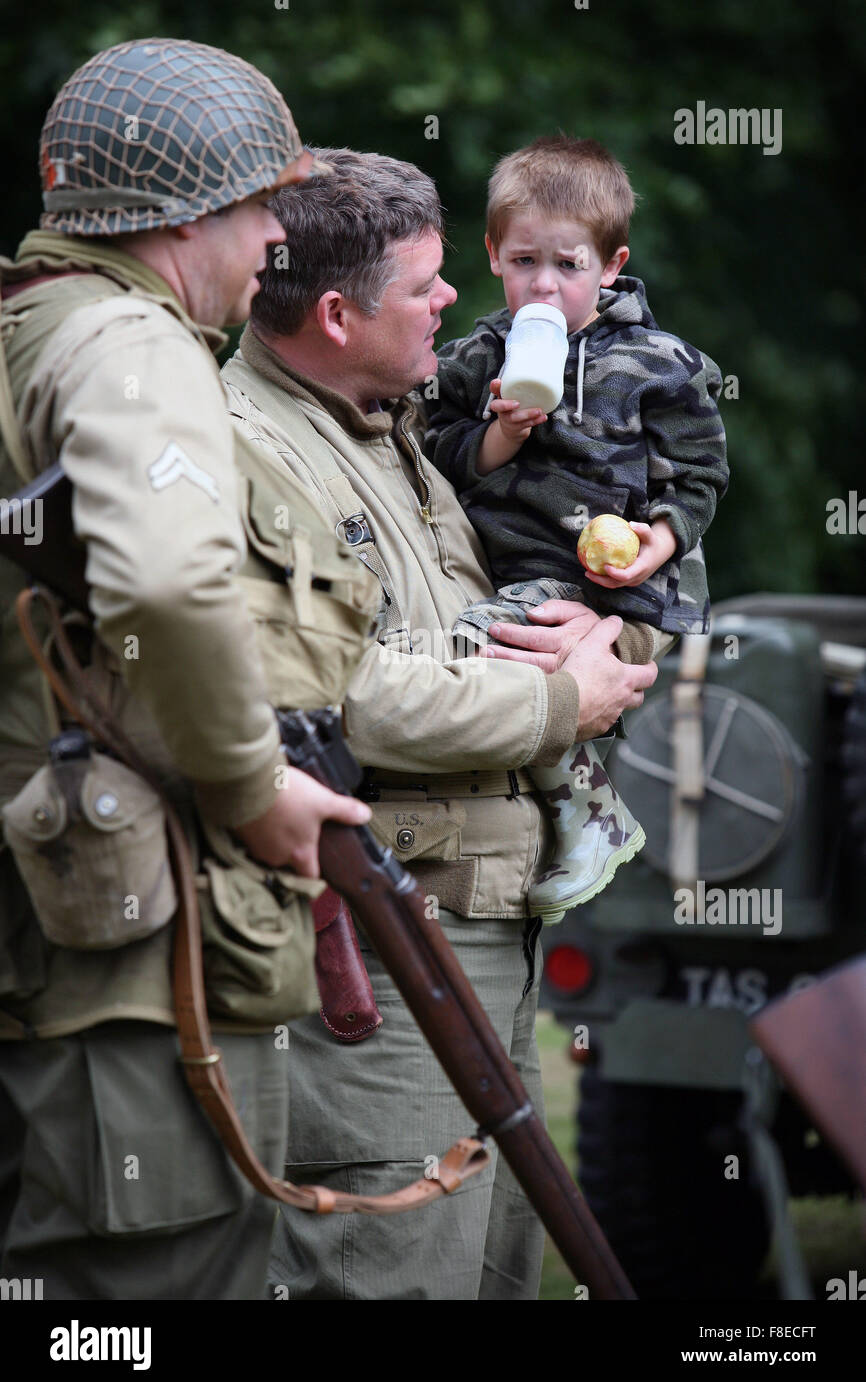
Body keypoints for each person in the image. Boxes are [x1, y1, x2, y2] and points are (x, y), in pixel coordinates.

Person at [220, 147, 657, 1300]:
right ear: (331, 312)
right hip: (374, 953)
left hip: (479, 943)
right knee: (390, 1270)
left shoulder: (404, 417)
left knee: (499, 1270)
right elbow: (342, 697)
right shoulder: (251, 452)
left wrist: (612, 636)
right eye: (424, 284)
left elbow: (548, 575)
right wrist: (563, 700)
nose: (459, 296)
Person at [0, 40, 377, 1300]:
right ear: (188, 216)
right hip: (116, 952)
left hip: (39, 918)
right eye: (263, 205)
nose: (277, 238)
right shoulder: (129, 342)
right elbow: (164, 581)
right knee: (154, 1292)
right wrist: (248, 783)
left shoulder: (23, 334)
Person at [426, 136, 729, 924]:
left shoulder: (659, 364)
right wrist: (501, 438)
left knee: (483, 648)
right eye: (525, 261)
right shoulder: (476, 358)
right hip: (517, 563)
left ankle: (592, 820)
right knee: (505, 660)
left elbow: (699, 476)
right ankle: (564, 820)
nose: (546, 285)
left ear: (611, 263)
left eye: (569, 266)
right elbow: (433, 449)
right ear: (492, 254)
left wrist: (658, 542)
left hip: (619, 579)